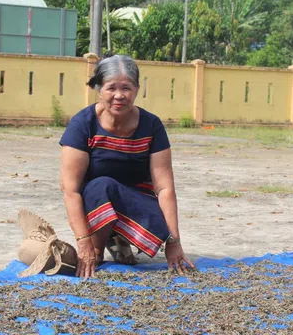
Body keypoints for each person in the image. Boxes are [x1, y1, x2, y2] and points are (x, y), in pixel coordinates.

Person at [59, 55, 193, 279]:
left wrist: (174, 241)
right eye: (111, 88)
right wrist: (83, 243)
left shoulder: (152, 125)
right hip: (93, 201)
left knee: (158, 222)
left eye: (126, 88)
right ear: (99, 89)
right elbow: (69, 189)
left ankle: (119, 235)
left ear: (137, 89)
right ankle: (97, 246)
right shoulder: (83, 124)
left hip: (135, 201)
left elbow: (164, 187)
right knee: (102, 186)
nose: (119, 95)